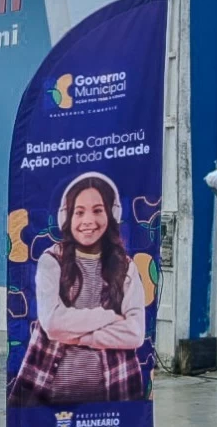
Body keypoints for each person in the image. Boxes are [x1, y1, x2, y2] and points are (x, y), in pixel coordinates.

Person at [9, 172, 147, 406]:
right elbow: (53, 324)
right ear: (67, 216)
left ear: (111, 214)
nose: (88, 221)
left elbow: (135, 333)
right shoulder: (51, 261)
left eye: (97, 210)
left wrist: (78, 335)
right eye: (79, 212)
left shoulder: (126, 267)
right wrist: (108, 316)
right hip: (48, 389)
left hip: (116, 389)